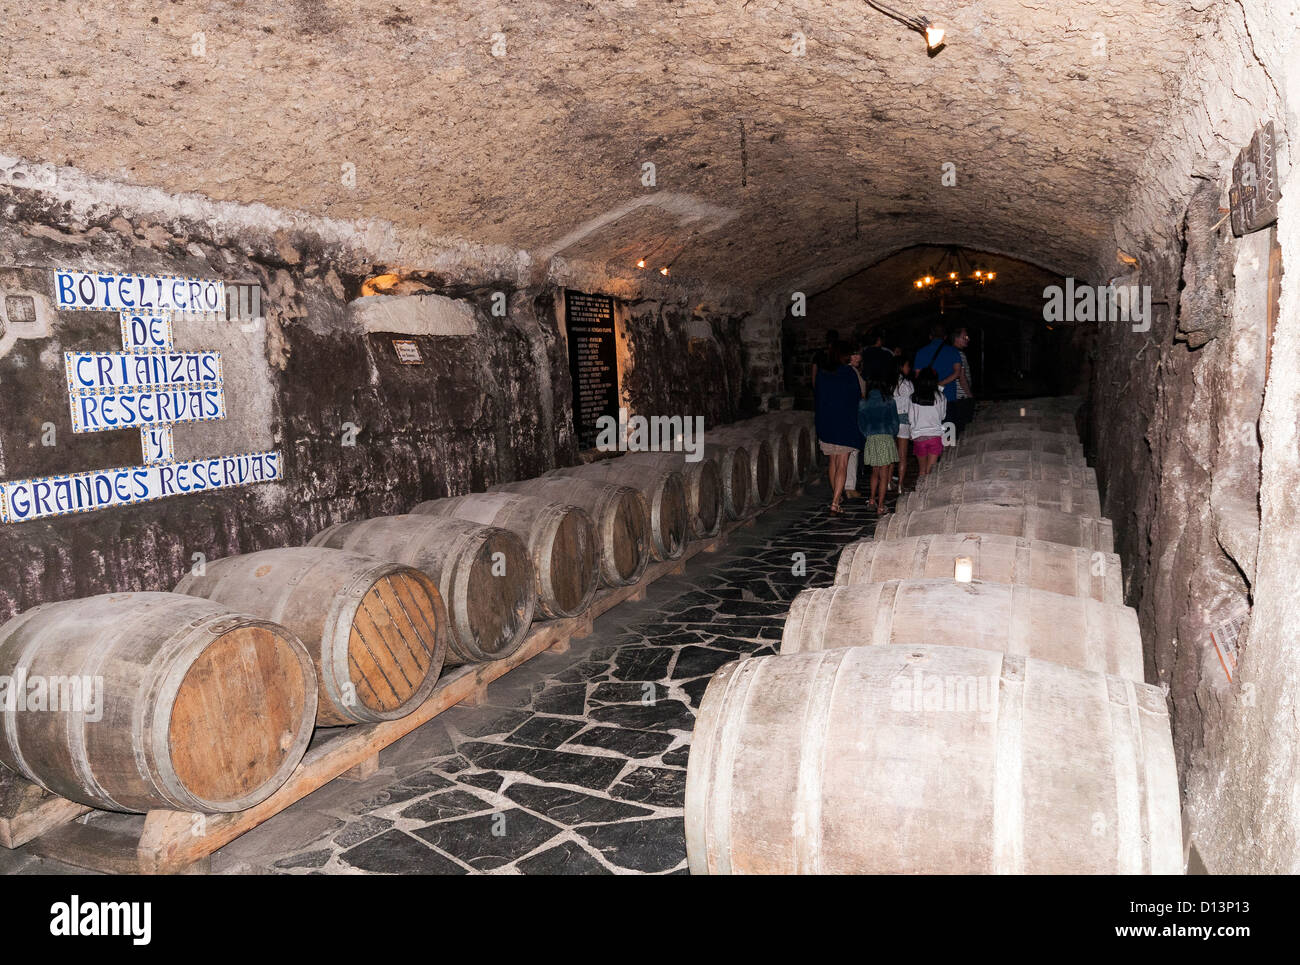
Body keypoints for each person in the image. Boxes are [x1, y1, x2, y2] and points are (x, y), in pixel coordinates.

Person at [813, 340, 865, 514]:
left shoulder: (822, 373)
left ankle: (837, 494)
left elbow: (818, 396)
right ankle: (835, 502)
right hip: (845, 423)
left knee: (833, 461)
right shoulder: (849, 372)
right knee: (843, 463)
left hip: (826, 423)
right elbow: (857, 396)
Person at [857, 374, 900, 513]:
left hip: (872, 438)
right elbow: (895, 421)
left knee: (874, 472)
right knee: (884, 474)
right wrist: (891, 433)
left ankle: (871, 499)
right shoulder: (889, 400)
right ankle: (881, 506)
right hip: (885, 437)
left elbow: (861, 423)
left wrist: (868, 434)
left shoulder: (863, 402)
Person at [908, 366, 947, 480]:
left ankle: (919, 495)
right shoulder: (941, 397)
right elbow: (943, 416)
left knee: (922, 471)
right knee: (930, 472)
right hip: (935, 435)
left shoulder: (913, 397)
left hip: (919, 436)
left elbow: (911, 419)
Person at [913, 323, 964, 408]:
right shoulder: (953, 351)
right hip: (948, 396)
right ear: (945, 337)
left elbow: (918, 375)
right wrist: (940, 384)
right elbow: (958, 372)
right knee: (949, 421)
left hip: (927, 398)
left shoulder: (921, 352)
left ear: (930, 337)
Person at [844, 347, 867, 499]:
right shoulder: (849, 372)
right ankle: (848, 486)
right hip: (851, 415)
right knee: (850, 451)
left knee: (852, 452)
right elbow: (860, 394)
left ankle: (849, 485)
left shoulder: (854, 371)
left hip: (853, 415)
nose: (859, 357)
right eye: (856, 353)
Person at [890, 356, 914, 492]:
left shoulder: (890, 384)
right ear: (901, 367)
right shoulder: (907, 384)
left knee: (891, 455)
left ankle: (888, 482)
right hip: (904, 420)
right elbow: (912, 405)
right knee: (902, 455)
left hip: (891, 419)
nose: (908, 368)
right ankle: (900, 485)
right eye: (906, 365)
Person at [949, 327, 976, 436]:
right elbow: (962, 377)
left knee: (955, 428)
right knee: (962, 428)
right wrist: (970, 395)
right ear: (956, 338)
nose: (967, 339)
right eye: (964, 337)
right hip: (962, 397)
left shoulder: (952, 352)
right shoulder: (959, 354)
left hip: (957, 398)